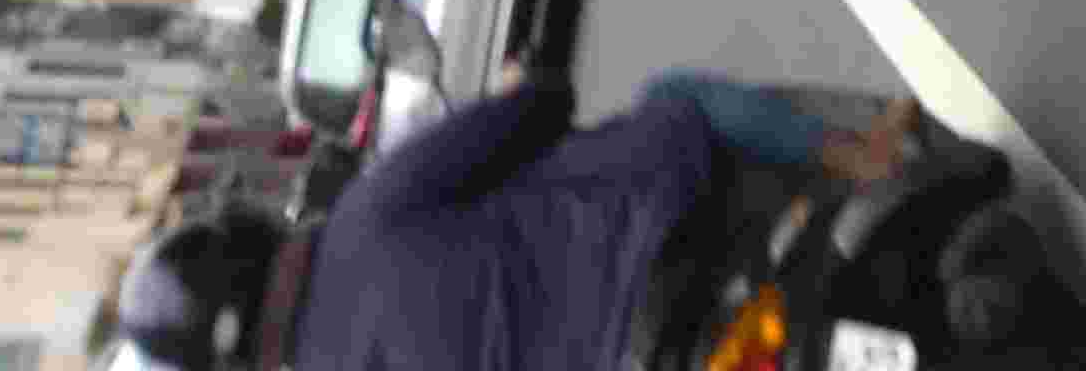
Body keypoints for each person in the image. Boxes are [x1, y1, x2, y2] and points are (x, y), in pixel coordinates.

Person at [109, 76, 920, 371]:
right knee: (681, 98)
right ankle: (863, 157)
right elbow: (541, 107)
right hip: (668, 232)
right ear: (248, 240)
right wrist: (516, 84)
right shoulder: (367, 213)